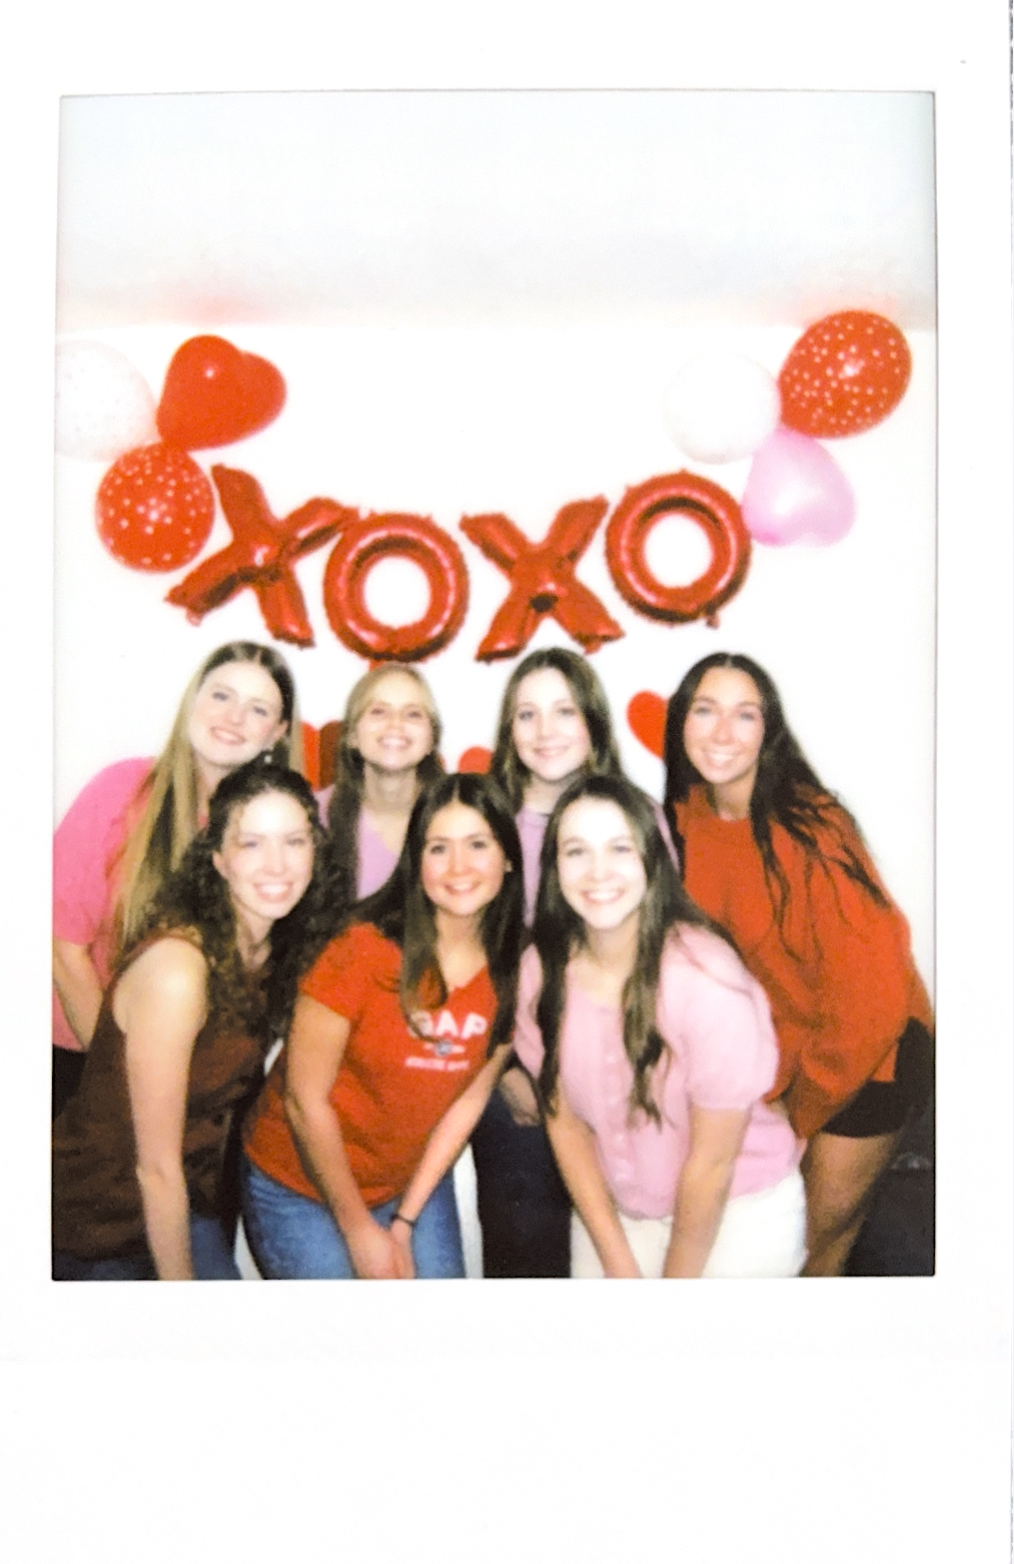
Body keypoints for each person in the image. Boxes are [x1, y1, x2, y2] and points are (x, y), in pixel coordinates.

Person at [663, 652, 934, 1276]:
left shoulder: (812, 829)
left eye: (745, 714)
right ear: (680, 722)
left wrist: (801, 1111)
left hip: (870, 1058)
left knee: (804, 1251)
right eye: (705, 710)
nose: (722, 732)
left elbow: (872, 1003)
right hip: (783, 1063)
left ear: (770, 731)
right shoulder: (683, 818)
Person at [513, 773, 806, 1278]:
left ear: (655, 858)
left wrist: (669, 1297)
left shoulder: (707, 981)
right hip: (618, 1211)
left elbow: (712, 1166)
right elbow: (564, 1123)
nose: (598, 872)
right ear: (554, 867)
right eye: (576, 851)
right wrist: (616, 1260)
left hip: (736, 1212)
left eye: (620, 848)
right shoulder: (541, 972)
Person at [241, 773, 525, 1279]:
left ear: (508, 857)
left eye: (478, 844)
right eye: (438, 848)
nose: (458, 866)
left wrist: (405, 1220)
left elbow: (467, 1102)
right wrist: (358, 1230)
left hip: (405, 1182)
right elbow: (305, 1101)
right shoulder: (360, 950)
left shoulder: (517, 969)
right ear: (416, 862)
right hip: (298, 1183)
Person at [52, 763, 324, 1280]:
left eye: (294, 841)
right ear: (218, 859)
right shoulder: (179, 969)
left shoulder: (268, 949)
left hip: (183, 1202)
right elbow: (154, 1169)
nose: (278, 864)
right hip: (95, 1223)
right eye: (252, 844)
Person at [472, 646, 673, 1277]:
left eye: (564, 711)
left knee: (622, 1253)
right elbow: (465, 962)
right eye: (526, 714)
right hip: (514, 1080)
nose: (545, 730)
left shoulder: (638, 817)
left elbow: (660, 951)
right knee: (527, 1260)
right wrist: (504, 1068)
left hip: (622, 1073)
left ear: (593, 723)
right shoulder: (484, 823)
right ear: (509, 730)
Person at [52, 640, 302, 1118]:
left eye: (258, 709)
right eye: (221, 695)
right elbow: (64, 951)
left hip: (200, 1081)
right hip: (83, 1064)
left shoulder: (273, 829)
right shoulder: (120, 790)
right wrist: (121, 1085)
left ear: (277, 733)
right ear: (193, 700)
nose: (233, 717)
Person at [318, 664, 444, 900]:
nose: (395, 724)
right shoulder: (314, 817)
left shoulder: (460, 818)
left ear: (431, 741)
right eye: (378, 712)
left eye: (413, 714)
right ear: (352, 736)